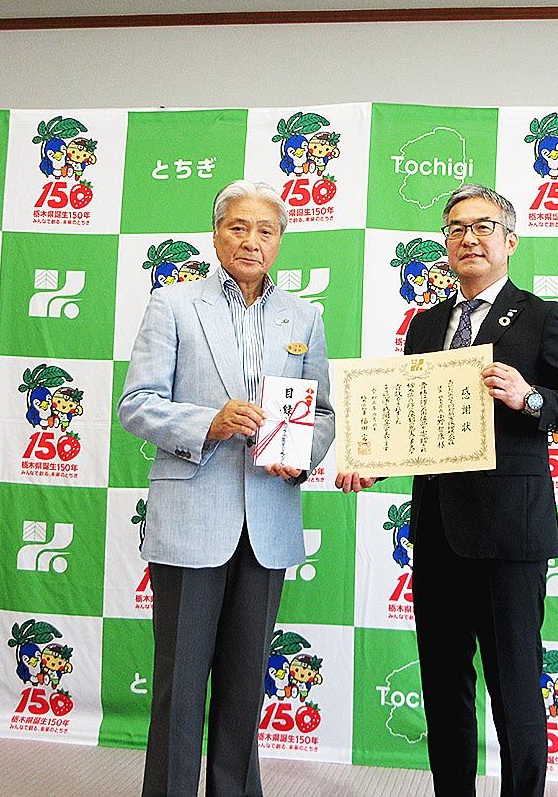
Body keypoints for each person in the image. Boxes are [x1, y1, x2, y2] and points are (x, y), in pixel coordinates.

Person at [338, 183, 558, 796]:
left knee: (516, 687)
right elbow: (418, 424)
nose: (469, 238)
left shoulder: (542, 317)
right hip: (436, 531)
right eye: (456, 228)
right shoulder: (427, 323)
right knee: (443, 686)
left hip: (511, 533)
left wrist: (529, 398)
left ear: (510, 241)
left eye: (483, 226)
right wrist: (376, 463)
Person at [119, 179, 334, 797]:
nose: (251, 241)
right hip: (191, 519)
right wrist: (206, 424)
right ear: (216, 235)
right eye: (238, 227)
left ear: (280, 241)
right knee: (181, 684)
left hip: (268, 522)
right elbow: (136, 404)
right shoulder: (174, 304)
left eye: (266, 230)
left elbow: (322, 413)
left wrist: (301, 458)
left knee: (245, 688)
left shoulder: (304, 316)